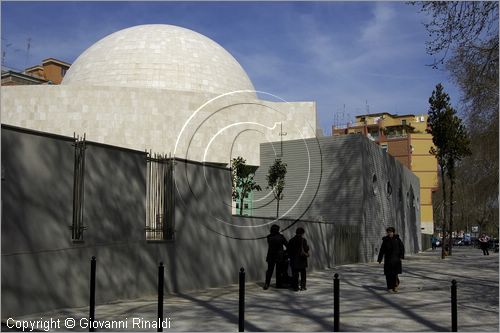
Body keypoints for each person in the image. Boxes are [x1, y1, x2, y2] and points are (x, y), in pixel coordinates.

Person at [377, 227, 405, 293]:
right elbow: (382, 250)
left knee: (394, 274)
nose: (389, 233)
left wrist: (401, 256)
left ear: (393, 232)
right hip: (388, 260)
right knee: (388, 274)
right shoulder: (385, 240)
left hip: (396, 260)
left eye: (391, 232)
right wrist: (380, 259)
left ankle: (395, 287)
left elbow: (402, 248)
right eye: (388, 232)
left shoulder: (397, 239)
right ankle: (389, 287)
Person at [264, 224, 288, 290]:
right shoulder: (281, 237)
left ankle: (267, 284)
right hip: (279, 256)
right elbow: (287, 244)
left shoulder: (269, 237)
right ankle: (278, 284)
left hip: (271, 256)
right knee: (279, 271)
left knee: (269, 271)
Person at [288, 227, 310, 291]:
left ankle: (295, 287)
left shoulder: (291, 240)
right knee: (303, 274)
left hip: (294, 260)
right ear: (302, 233)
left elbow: (289, 250)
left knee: (295, 274)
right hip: (302, 260)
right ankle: (303, 287)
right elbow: (306, 249)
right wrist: (307, 248)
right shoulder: (303, 240)